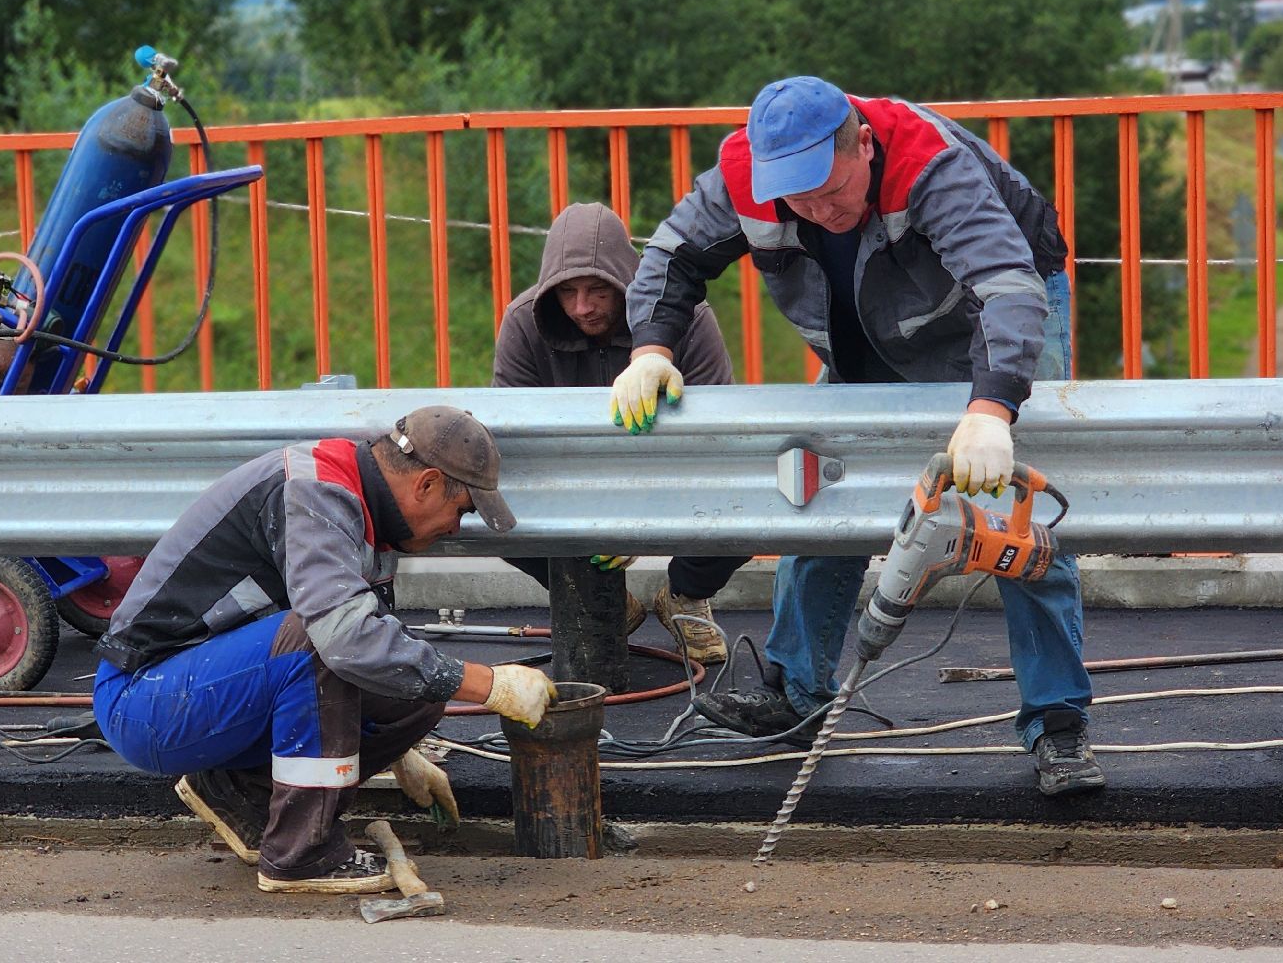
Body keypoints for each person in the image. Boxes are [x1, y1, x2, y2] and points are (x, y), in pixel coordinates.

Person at [609, 76, 1102, 797]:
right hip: (863, 328)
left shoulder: (930, 164)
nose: (817, 212)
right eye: (798, 201)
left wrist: (993, 409)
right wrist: (651, 349)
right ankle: (795, 693)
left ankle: (1058, 721)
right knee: (819, 488)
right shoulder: (746, 174)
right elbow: (673, 255)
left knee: (1012, 516)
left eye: (831, 192)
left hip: (991, 313)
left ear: (864, 145)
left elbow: (1006, 285)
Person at [93, 406, 555, 893]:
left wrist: (403, 749)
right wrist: (491, 685)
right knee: (328, 642)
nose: (456, 528)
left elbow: (381, 653)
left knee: (417, 686)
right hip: (144, 699)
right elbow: (344, 638)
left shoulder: (368, 511)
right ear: (427, 484)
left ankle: (240, 794)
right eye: (460, 510)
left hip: (199, 689)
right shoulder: (316, 492)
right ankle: (302, 855)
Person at [493, 201, 748, 664]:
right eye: (567, 292)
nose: (582, 307)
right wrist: (589, 516)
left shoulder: (689, 319)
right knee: (489, 509)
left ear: (625, 284)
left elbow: (717, 445)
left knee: (754, 498)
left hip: (674, 473)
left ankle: (687, 594)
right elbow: (514, 449)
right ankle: (600, 597)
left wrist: (639, 516)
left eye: (598, 290)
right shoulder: (523, 322)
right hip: (568, 481)